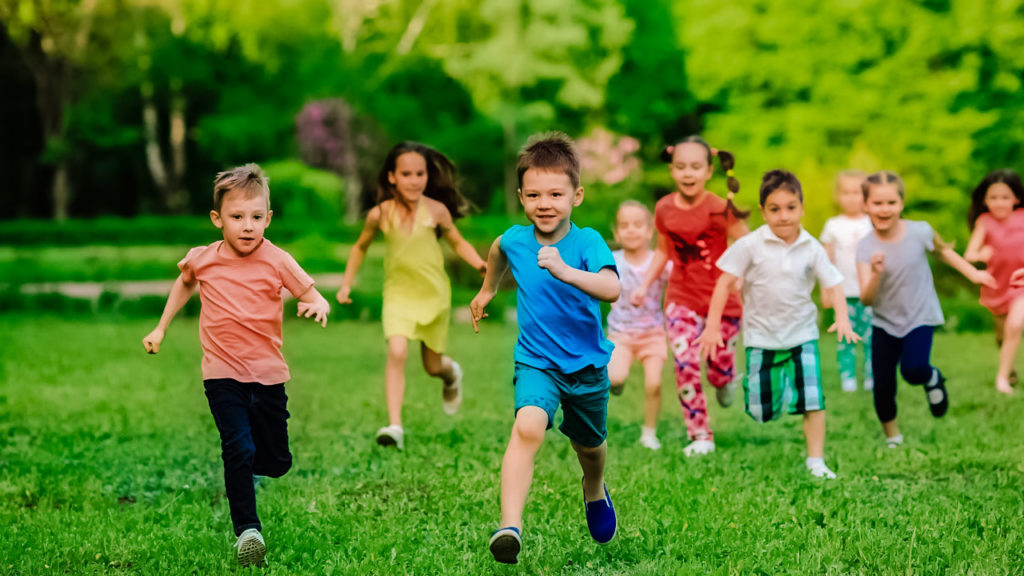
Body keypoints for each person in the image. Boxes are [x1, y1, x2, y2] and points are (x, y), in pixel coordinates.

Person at [141, 164, 331, 566]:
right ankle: (248, 530)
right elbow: (185, 281)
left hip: (268, 375)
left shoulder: (277, 259)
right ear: (217, 219)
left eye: (256, 217)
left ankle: (250, 465)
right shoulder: (203, 259)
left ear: (268, 218)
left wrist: (315, 304)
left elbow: (314, 293)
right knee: (237, 448)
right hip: (221, 374)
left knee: (277, 461)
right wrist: (160, 328)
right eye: (237, 217)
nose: (248, 226)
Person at [470, 132, 619, 564]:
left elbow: (611, 287)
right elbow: (498, 251)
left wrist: (566, 271)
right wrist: (486, 292)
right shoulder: (517, 239)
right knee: (528, 426)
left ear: (577, 195)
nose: (545, 203)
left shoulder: (587, 242)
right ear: (521, 197)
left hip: (587, 365)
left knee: (589, 447)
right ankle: (509, 527)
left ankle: (594, 490)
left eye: (556, 193)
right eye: (533, 194)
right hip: (537, 361)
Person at [697, 169, 858, 479]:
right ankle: (756, 383)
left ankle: (816, 461)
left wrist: (842, 317)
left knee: (813, 399)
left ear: (802, 208)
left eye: (790, 207)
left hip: (802, 334)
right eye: (775, 209)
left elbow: (834, 285)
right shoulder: (751, 245)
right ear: (763, 211)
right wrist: (713, 326)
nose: (783, 216)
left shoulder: (811, 247)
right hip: (761, 338)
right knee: (761, 413)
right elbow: (724, 283)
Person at [337, 142, 486, 450]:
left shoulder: (437, 211)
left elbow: (458, 243)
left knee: (432, 367)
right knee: (397, 351)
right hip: (398, 296)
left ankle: (451, 374)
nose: (414, 180)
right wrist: (346, 283)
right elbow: (359, 247)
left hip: (434, 295)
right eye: (406, 174)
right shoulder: (380, 214)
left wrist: (480, 264)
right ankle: (395, 426)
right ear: (392, 177)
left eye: (420, 174)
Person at [856, 170, 996, 447]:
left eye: (891, 203)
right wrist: (875, 273)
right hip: (884, 322)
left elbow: (943, 251)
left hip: (920, 316)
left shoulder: (919, 231)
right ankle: (892, 437)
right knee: (883, 387)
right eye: (877, 203)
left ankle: (932, 377)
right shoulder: (865, 246)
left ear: (901, 204)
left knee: (914, 369)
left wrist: (974, 274)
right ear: (866, 206)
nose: (885, 209)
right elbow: (866, 299)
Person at [630, 136, 750, 456]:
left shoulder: (720, 209)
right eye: (681, 167)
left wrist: (739, 276)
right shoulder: (664, 208)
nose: (688, 173)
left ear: (709, 171)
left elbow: (747, 244)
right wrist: (644, 286)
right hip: (680, 297)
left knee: (717, 369)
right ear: (671, 170)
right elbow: (661, 252)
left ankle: (726, 379)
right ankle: (700, 435)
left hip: (723, 302)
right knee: (685, 363)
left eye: (695, 167)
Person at [606, 200, 670, 450]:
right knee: (614, 378)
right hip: (620, 335)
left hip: (653, 335)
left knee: (654, 383)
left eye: (637, 224)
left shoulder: (660, 261)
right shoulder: (611, 261)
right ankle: (617, 383)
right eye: (624, 225)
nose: (631, 230)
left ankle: (649, 433)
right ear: (616, 232)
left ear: (649, 230)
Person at [963, 169, 1024, 394]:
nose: (999, 203)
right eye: (993, 198)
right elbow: (970, 254)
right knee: (1002, 335)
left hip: (1021, 285)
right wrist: (982, 254)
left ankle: (1002, 381)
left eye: (1005, 197)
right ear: (985, 200)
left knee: (1015, 325)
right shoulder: (984, 221)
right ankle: (1010, 368)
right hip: (995, 285)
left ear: (1016, 199)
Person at [820, 170, 874, 392]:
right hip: (843, 294)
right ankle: (848, 377)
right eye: (846, 192)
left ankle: (872, 376)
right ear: (838, 196)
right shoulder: (833, 225)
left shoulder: (872, 223)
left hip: (870, 294)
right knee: (845, 337)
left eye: (857, 192)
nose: (851, 197)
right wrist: (826, 292)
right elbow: (826, 261)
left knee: (872, 338)